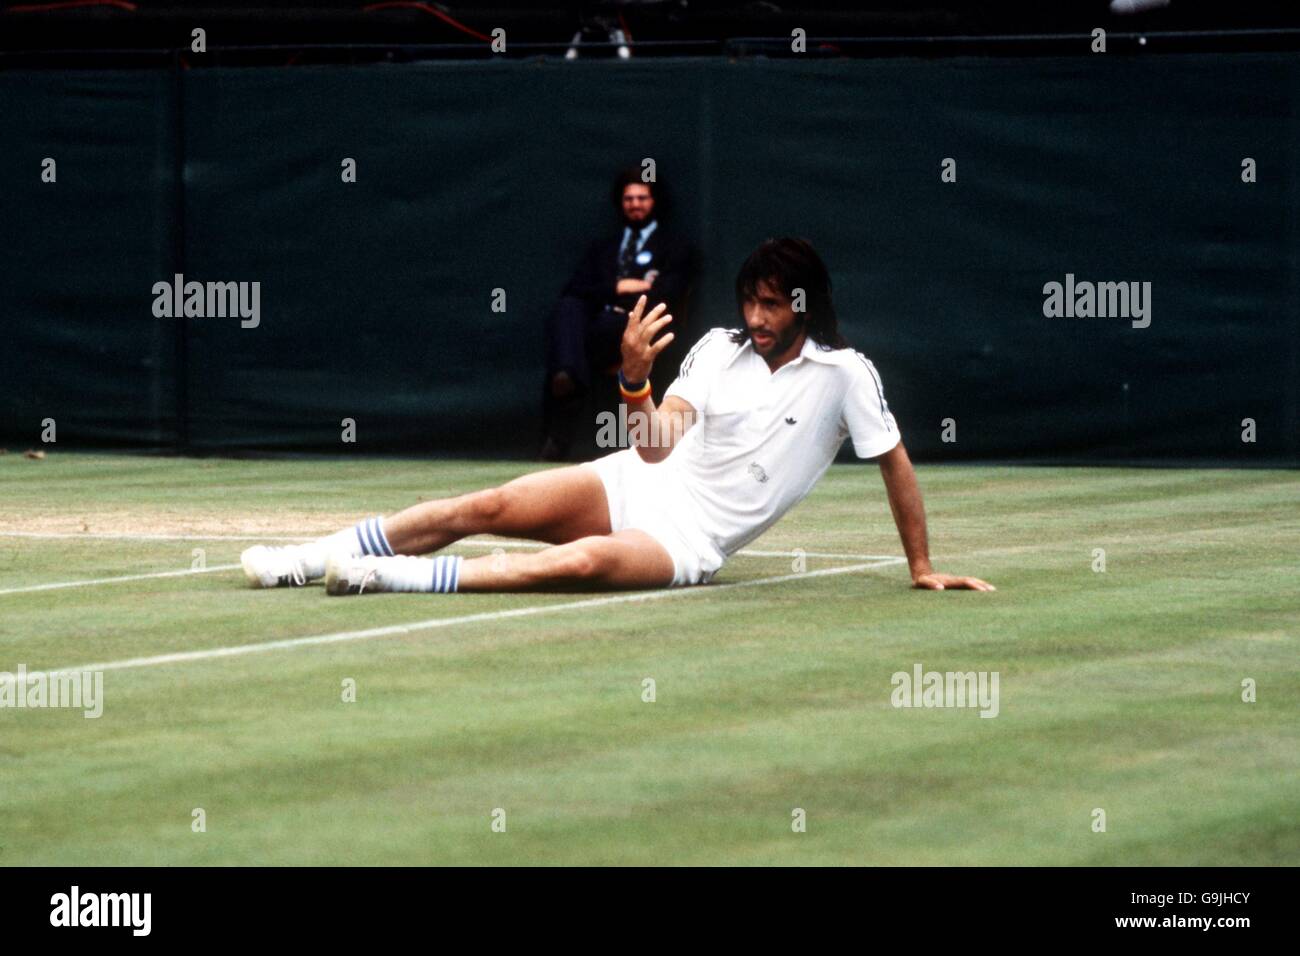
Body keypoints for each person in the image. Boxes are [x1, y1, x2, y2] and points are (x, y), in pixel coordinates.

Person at [240, 238, 993, 595]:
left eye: (772, 303)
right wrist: (635, 383)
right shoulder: (716, 351)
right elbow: (658, 450)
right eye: (750, 300)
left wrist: (920, 567)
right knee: (489, 503)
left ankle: (386, 578)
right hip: (635, 484)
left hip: (689, 540)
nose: (757, 316)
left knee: (584, 564)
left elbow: (895, 462)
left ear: (804, 305)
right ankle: (303, 559)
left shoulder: (845, 375)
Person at [540, 167, 694, 461]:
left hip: (635, 329)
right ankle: (568, 376)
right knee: (568, 309)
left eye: (642, 198)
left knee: (576, 341)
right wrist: (618, 286)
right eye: (628, 198)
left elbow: (665, 295)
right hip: (595, 327)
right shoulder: (604, 248)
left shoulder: (674, 247)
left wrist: (617, 295)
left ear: (654, 201)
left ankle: (570, 381)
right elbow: (575, 289)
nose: (635, 204)